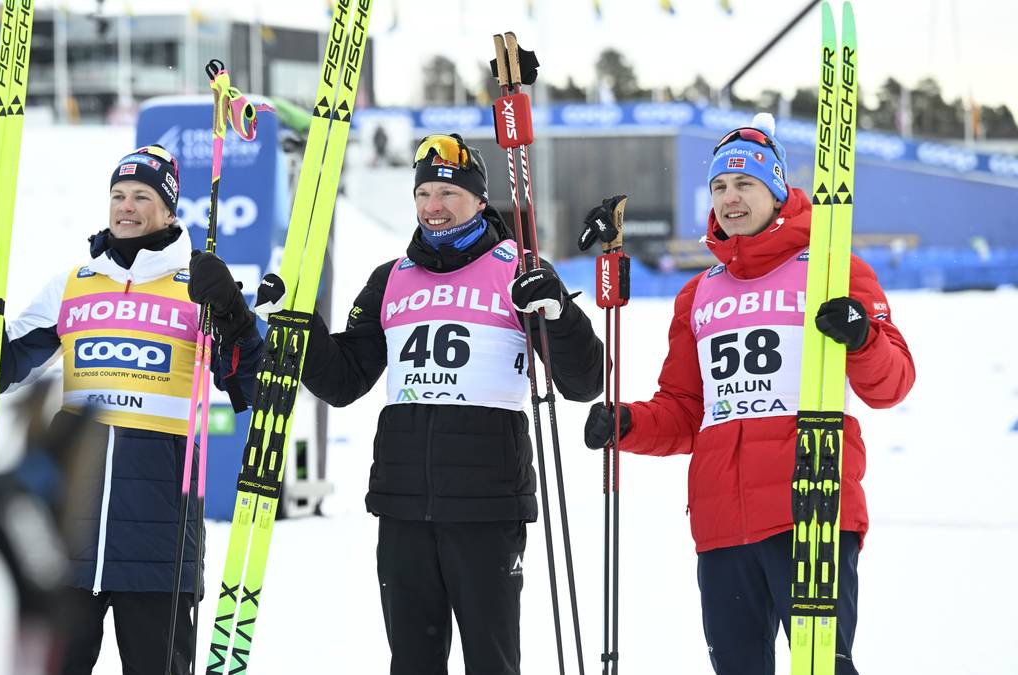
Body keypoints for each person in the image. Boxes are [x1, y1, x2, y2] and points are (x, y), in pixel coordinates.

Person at [254, 133, 604, 675]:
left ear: (479, 201)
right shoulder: (390, 279)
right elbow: (344, 381)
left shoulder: (519, 269)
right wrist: (295, 324)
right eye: (424, 194)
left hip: (486, 506)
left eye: (448, 193)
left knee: (492, 662)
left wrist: (559, 313)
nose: (434, 207)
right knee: (412, 663)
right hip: (404, 508)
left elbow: (583, 382)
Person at [583, 114, 915, 675]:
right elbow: (688, 412)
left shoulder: (833, 269)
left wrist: (861, 336)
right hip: (720, 521)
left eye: (745, 184)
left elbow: (893, 382)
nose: (729, 198)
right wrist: (629, 424)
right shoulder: (699, 293)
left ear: (777, 188)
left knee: (823, 668)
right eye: (719, 186)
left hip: (809, 503)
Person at [0, 144, 261, 675]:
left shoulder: (199, 287)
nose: (127, 207)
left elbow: (253, 387)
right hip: (67, 540)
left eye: (142, 196)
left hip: (160, 541)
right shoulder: (71, 284)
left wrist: (232, 311)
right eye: (118, 195)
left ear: (169, 209)